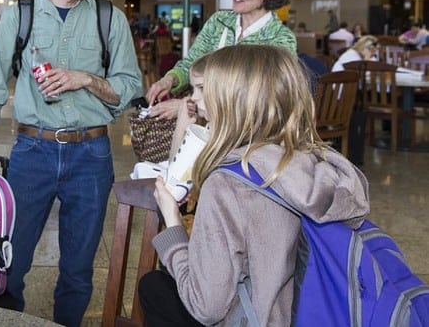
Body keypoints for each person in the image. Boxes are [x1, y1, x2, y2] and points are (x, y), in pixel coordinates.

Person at [0, 0, 142, 326]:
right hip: (32, 152)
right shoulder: (21, 15)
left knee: (79, 269)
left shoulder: (108, 17)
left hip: (92, 153)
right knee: (12, 261)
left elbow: (130, 86)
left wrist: (86, 79)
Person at [138, 45, 369, 326]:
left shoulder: (227, 184)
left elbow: (206, 306)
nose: (195, 100)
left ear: (232, 100)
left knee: (154, 287)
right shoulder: (316, 160)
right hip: (312, 312)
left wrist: (173, 224)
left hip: (257, 317)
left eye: (204, 90)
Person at [145, 0, 298, 120]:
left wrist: (188, 107)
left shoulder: (280, 40)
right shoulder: (219, 21)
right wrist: (170, 80)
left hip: (247, 141)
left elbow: (258, 100)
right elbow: (191, 64)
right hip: (207, 133)